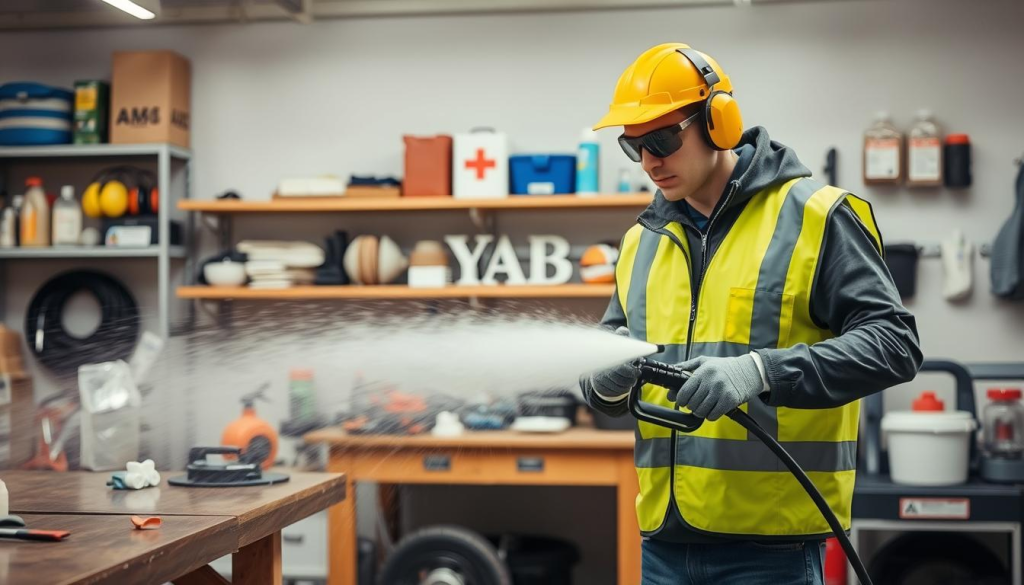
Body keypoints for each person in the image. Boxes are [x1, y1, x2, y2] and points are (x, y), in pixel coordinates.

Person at [580, 43, 923, 585]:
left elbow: (894, 345)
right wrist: (604, 379)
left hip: (772, 550)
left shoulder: (815, 216)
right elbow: (603, 384)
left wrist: (760, 373)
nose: (649, 162)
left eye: (663, 139)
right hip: (663, 545)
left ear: (719, 121)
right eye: (633, 146)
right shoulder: (638, 242)